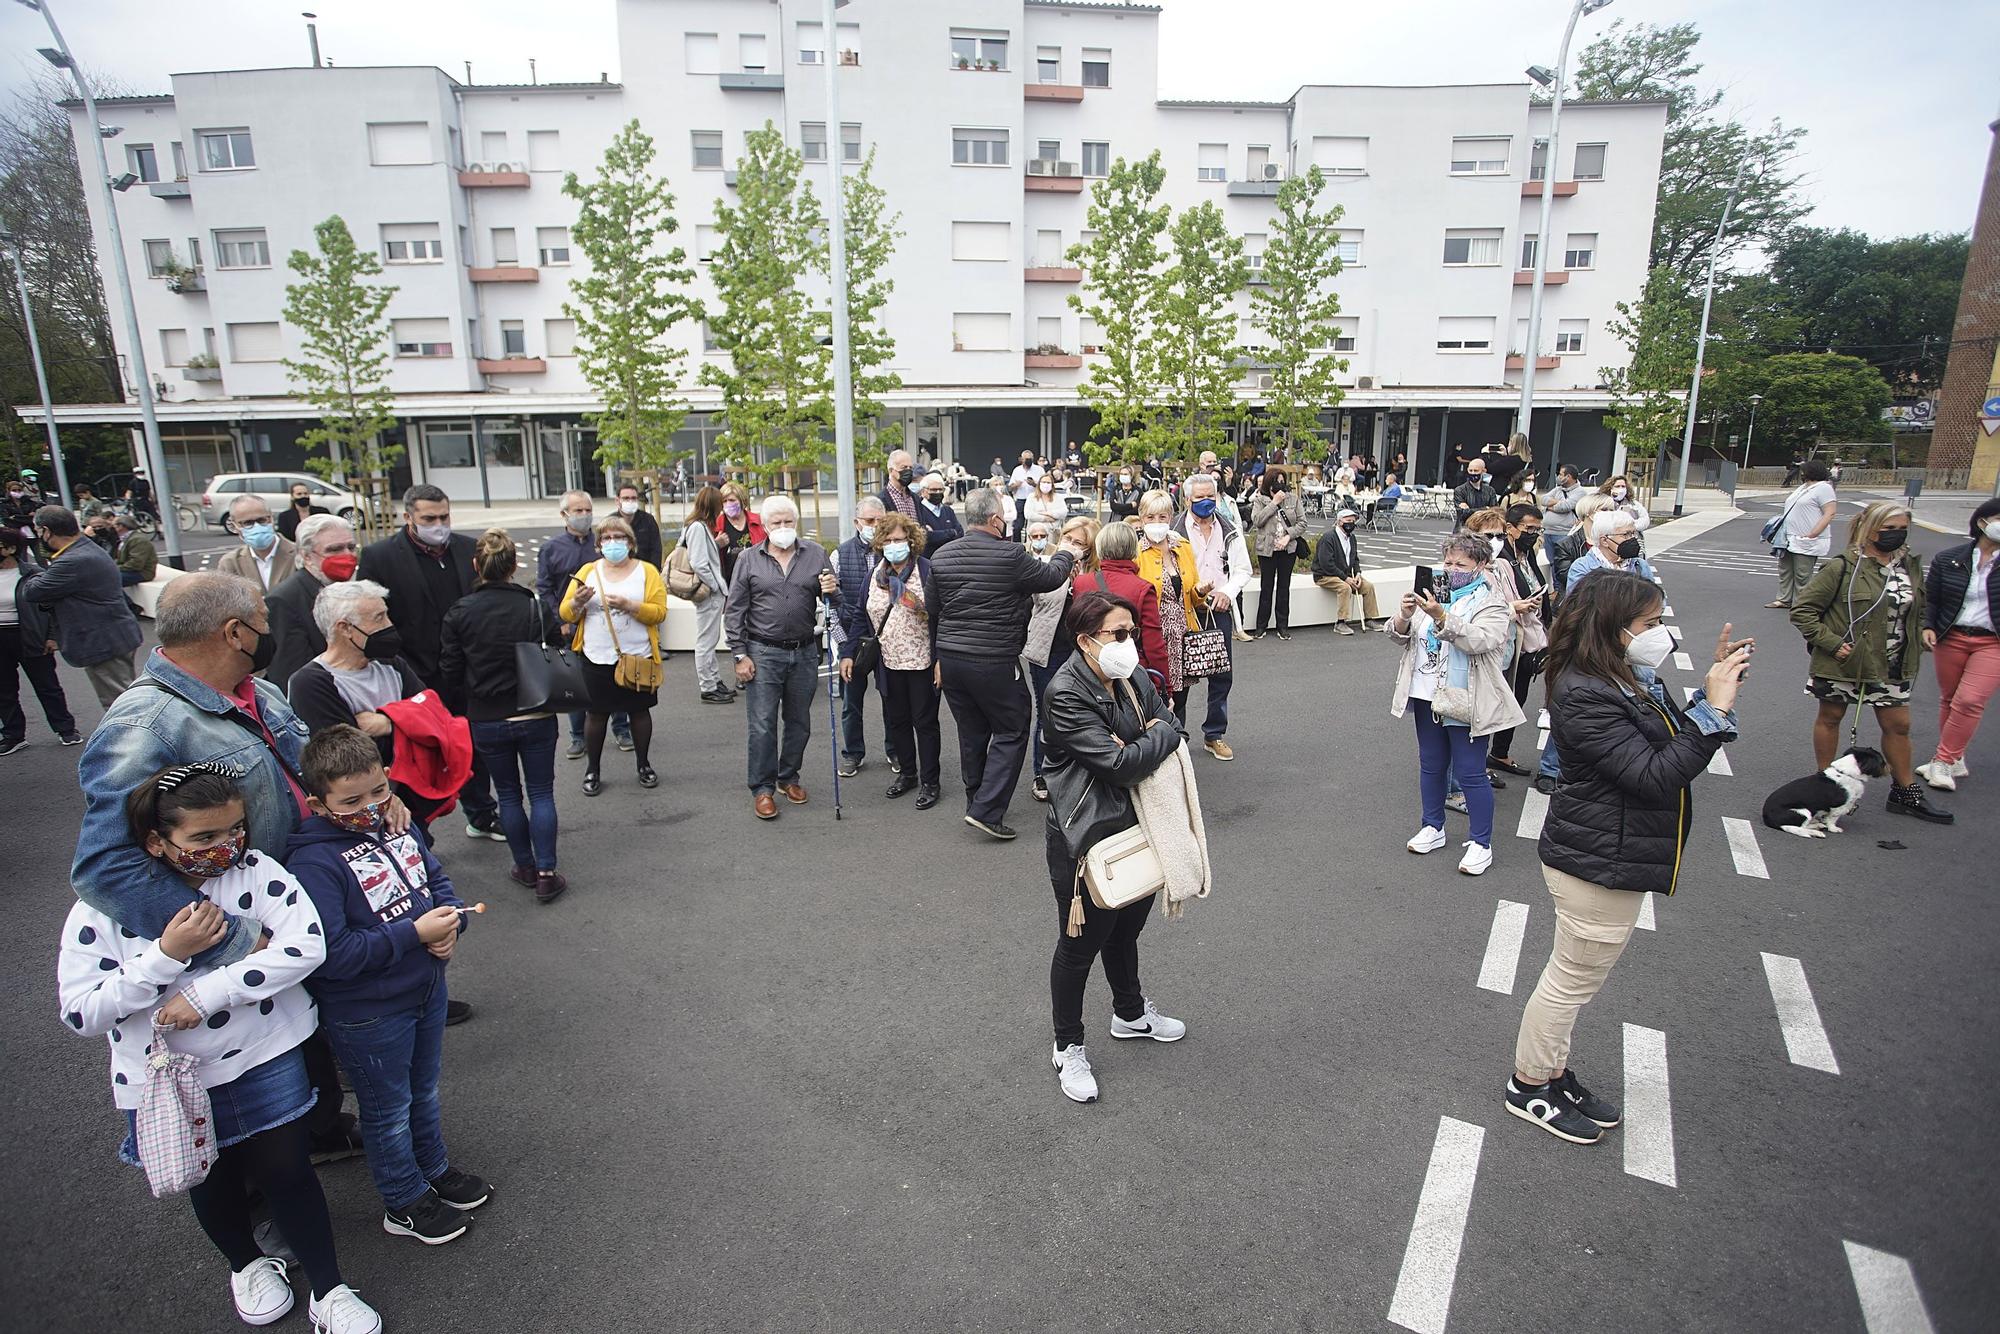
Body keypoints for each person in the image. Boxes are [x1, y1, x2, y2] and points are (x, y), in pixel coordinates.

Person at [71, 571, 420, 1140]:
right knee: (258, 1107)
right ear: (235, 633)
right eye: (263, 618)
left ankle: (321, 1130)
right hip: (250, 932)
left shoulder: (261, 692)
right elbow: (106, 864)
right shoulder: (143, 726)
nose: (272, 627)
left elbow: (312, 772)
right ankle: (266, 1185)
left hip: (299, 902)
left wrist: (378, 797)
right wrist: (233, 937)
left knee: (309, 1042)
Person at [59, 764, 382, 1333]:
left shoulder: (255, 871)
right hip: (170, 1073)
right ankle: (247, 1264)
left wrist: (208, 992)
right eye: (204, 838)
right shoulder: (101, 908)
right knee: (208, 1176)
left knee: (288, 1169)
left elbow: (306, 945)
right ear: (157, 842)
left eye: (235, 829)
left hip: (264, 1050)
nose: (225, 847)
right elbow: (82, 1011)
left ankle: (329, 1287)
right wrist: (167, 956)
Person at [1509, 571, 1748, 1144]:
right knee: (1570, 981)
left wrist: (1706, 693)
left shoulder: (1622, 677)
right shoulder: (1586, 690)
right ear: (1615, 630)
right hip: (1595, 859)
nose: (1659, 633)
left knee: (1578, 979)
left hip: (1610, 851)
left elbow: (1662, 740)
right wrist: (1712, 713)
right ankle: (1530, 1085)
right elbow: (1652, 774)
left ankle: (1552, 1073)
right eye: (1650, 623)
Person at [286, 724, 491, 1247]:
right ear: (316, 803)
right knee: (387, 1108)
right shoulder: (314, 862)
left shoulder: (399, 825)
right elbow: (331, 954)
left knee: (422, 1091)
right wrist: (414, 934)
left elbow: (436, 884)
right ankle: (402, 1201)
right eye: (350, 800)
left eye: (379, 791)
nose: (372, 806)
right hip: (368, 1009)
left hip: (425, 988)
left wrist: (450, 925)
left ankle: (434, 1170)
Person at [1040, 588, 1192, 1104]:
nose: (1130, 642)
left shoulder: (1131, 677)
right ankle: (1068, 1045)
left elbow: (1173, 723)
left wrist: (1144, 741)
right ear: (1086, 641)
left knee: (1127, 927)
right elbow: (1119, 764)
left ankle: (1129, 1014)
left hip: (1137, 824)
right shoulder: (1064, 691)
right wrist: (1146, 742)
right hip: (1085, 836)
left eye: (1131, 631)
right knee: (1080, 944)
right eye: (1119, 634)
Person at [929, 485, 1080, 839]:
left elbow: (933, 609)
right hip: (994, 658)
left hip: (952, 658)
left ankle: (975, 801)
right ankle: (987, 809)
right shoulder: (1010, 554)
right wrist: (1067, 554)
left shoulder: (941, 556)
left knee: (972, 731)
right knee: (1012, 728)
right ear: (996, 519)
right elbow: (1051, 578)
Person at [356, 485, 502, 842]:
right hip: (415, 674)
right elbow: (373, 617)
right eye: (429, 519)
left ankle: (481, 813)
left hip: (468, 674)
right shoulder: (380, 557)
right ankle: (417, 830)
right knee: (416, 757)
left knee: (469, 747)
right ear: (408, 518)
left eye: (444, 517)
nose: (438, 525)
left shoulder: (470, 550)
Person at [1790, 502, 1952, 824]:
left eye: (1902, 528)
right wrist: (1834, 645)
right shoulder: (1843, 567)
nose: (1896, 535)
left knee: (1898, 725)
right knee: (1832, 716)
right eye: (1888, 528)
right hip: (1846, 660)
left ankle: (1905, 792)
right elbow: (1802, 611)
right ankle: (1827, 786)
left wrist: (1924, 631)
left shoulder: (1909, 566)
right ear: (1869, 527)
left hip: (1893, 663)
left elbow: (1918, 609)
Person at [440, 529, 567, 904]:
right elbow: (556, 647)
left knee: (508, 794)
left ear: (477, 566)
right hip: (534, 709)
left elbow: (449, 668)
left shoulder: (460, 611)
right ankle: (546, 871)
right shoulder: (532, 605)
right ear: (514, 565)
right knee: (541, 792)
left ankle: (524, 865)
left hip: (486, 715)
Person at [1387, 533, 1524, 876]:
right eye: (1448, 562)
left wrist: (1442, 618)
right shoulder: (1433, 594)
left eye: (1461, 564)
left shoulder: (1491, 601)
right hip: (1425, 693)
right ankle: (1432, 826)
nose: (1451, 569)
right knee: (1431, 764)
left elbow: (1482, 640)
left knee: (1470, 772)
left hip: (1465, 698)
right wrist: (1405, 616)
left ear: (1480, 565)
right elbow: (1398, 636)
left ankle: (1481, 843)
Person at [287, 579, 450, 824]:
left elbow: (437, 716)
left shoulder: (391, 664)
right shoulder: (311, 683)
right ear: (345, 628)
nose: (389, 625)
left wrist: (389, 723)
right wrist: (410, 722)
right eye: (379, 618)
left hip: (414, 806)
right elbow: (347, 759)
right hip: (364, 818)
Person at [726, 495, 839, 820]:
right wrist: (739, 655)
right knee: (762, 725)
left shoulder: (815, 554)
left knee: (799, 722)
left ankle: (788, 776)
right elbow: (734, 610)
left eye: (788, 522)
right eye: (776, 522)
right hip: (763, 651)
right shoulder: (749, 559)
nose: (783, 528)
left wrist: (832, 589)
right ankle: (762, 788)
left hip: (804, 652)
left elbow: (835, 600)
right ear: (764, 525)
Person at [558, 515, 667, 797]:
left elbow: (659, 612)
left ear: (630, 543)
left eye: (618, 538)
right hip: (596, 656)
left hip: (637, 656)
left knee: (639, 711)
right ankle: (592, 769)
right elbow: (565, 613)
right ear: (598, 545)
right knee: (596, 715)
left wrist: (632, 606)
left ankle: (643, 765)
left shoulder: (647, 572)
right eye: (606, 538)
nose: (612, 543)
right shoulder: (587, 571)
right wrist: (578, 602)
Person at [850, 511, 943, 808]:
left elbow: (942, 617)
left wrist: (941, 660)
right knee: (897, 721)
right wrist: (847, 654)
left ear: (911, 541)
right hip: (888, 662)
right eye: (888, 539)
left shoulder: (927, 571)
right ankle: (908, 773)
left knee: (925, 722)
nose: (893, 544)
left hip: (922, 663)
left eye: (899, 539)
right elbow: (859, 615)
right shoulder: (874, 576)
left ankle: (930, 781)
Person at [19, 503, 143, 707]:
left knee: (120, 705)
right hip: (114, 635)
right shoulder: (84, 547)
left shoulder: (73, 561)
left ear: (47, 531)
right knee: (125, 697)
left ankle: (133, 738)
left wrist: (38, 572)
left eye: (38, 531)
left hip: (103, 641)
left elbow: (31, 591)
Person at [538, 491, 632, 760]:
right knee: (575, 683)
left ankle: (621, 728)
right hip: (571, 627)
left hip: (608, 626)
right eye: (577, 511)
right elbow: (545, 590)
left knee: (617, 676)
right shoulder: (551, 549)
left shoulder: (602, 543)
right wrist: (561, 621)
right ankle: (578, 736)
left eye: (587, 510)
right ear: (564, 515)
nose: (584, 515)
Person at [1918, 497, 2000, 791]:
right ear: (1983, 522)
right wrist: (1928, 626)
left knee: (1970, 700)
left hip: (1992, 642)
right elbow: (1933, 599)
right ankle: (1956, 756)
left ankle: (1942, 761)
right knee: (1950, 699)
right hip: (1951, 636)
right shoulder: (1949, 559)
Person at [1169, 473, 1249, 761]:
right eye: (1199, 497)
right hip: (1184, 610)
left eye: (1210, 497)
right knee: (1180, 677)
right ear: (1187, 499)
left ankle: (1214, 734)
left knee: (1221, 675)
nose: (1205, 502)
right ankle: (1175, 737)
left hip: (1217, 611)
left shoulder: (1229, 529)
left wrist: (1228, 591)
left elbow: (1243, 569)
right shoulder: (1173, 531)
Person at [1486, 504, 1551, 778]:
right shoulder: (1500, 559)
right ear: (1509, 528)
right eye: (1528, 529)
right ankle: (1480, 762)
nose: (1534, 534)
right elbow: (1496, 601)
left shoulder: (1527, 555)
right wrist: (1518, 605)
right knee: (1494, 702)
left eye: (1538, 529)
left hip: (1527, 640)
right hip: (1505, 640)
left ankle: (1500, 753)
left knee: (1517, 698)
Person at [0, 525, 79, 751]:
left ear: (11, 549)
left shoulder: (33, 574)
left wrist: (53, 637)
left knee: (47, 686)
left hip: (30, 636)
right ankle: (13, 735)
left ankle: (65, 729)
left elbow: (53, 607)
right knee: (4, 690)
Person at [832, 497, 892, 778]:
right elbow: (831, 607)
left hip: (887, 640)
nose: (875, 526)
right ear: (857, 523)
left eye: (880, 520)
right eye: (869, 521)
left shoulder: (894, 552)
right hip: (853, 640)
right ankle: (852, 753)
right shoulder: (840, 555)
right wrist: (844, 646)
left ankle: (896, 751)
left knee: (893, 701)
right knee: (851, 703)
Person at [267, 514, 358, 692]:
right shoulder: (284, 600)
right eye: (335, 549)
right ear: (307, 556)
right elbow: (291, 674)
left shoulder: (356, 589)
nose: (347, 555)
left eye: (351, 547)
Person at [1077, 520, 1169, 690]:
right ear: (1134, 550)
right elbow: (1154, 645)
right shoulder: (1142, 588)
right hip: (1130, 671)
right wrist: (1164, 688)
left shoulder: (1080, 584)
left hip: (1089, 668)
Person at [1021, 519, 1075, 804]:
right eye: (1035, 535)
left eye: (1080, 543)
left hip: (1079, 651)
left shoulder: (1089, 571)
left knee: (1079, 713)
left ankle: (1074, 771)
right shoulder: (1041, 568)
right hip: (1047, 650)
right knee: (1047, 712)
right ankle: (1041, 772)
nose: (1073, 548)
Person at [1134, 489, 1201, 702]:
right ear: (1141, 517)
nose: (1157, 521)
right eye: (1150, 517)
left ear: (1170, 517)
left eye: (1162, 516)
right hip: (1152, 639)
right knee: (1153, 699)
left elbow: (1193, 595)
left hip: (1182, 637)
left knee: (1180, 701)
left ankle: (1179, 736)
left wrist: (1201, 592)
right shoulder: (1135, 552)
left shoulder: (1183, 547)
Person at [680, 486, 733, 704]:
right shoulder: (698, 528)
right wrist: (715, 586)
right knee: (706, 640)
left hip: (710, 592)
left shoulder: (696, 526)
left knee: (710, 638)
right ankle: (708, 686)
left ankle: (714, 679)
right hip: (709, 593)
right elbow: (700, 563)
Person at [1769, 460, 1838, 610]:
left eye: (1803, 470)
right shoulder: (1803, 487)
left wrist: (1814, 533)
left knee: (1802, 573)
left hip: (1807, 537)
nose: (1801, 473)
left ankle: (1802, 603)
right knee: (1785, 569)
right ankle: (1784, 598)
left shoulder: (1824, 488)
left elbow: (1830, 512)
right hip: (1789, 537)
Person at [1249, 471, 1304, 640]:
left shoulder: (1293, 499)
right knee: (1266, 587)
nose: (1280, 485)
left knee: (1283, 587)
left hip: (1288, 550)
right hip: (1267, 550)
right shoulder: (1260, 500)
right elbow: (1257, 520)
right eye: (1276, 482)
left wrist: (1289, 536)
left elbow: (1302, 522)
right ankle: (1261, 626)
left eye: (1282, 481)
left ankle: (1282, 626)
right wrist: (1274, 503)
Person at [1311, 505, 1380, 634]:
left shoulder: (1352, 538)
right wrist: (1346, 578)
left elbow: (1355, 559)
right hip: (1325, 575)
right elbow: (1327, 564)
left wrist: (1358, 574)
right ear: (1339, 522)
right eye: (1348, 521)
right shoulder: (1328, 538)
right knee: (1345, 588)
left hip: (1345, 574)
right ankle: (1341, 622)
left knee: (1368, 586)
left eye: (1353, 521)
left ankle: (1370, 619)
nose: (1351, 524)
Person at [218, 494, 299, 591]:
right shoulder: (230, 563)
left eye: (261, 520)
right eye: (248, 523)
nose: (257, 527)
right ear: (235, 526)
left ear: (272, 519)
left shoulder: (300, 555)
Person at [1567, 510, 1658, 591]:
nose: (1632, 539)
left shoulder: (1640, 566)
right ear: (1604, 541)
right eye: (1626, 534)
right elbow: (1577, 604)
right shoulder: (1583, 567)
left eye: (1633, 533)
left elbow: (1656, 602)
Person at [715, 480, 765, 587]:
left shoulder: (758, 521)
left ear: (742, 501)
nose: (728, 504)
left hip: (756, 580)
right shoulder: (717, 524)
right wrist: (716, 544)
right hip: (729, 583)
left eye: (732, 500)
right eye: (724, 501)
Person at [1540, 465, 1587, 567]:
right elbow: (1543, 499)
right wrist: (1558, 502)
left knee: (1561, 565)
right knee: (1552, 564)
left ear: (1568, 477)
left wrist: (1551, 506)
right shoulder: (1558, 489)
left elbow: (1564, 507)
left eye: (1561, 474)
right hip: (1548, 532)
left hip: (1563, 533)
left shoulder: (1580, 492)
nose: (1559, 477)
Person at [615, 481, 664, 568]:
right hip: (619, 571)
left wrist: (653, 572)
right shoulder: (611, 522)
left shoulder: (648, 520)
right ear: (617, 501)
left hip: (645, 570)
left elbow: (656, 550)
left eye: (633, 498)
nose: (630, 501)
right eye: (626, 498)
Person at [916, 472, 963, 553]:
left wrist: (937, 535)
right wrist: (951, 533)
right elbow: (926, 537)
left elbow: (960, 533)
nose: (938, 492)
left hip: (948, 557)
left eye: (940, 490)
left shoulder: (948, 511)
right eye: (934, 490)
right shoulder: (918, 511)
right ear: (923, 492)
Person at [1595, 475, 1650, 541]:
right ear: (1610, 488)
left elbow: (1645, 519)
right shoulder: (1603, 503)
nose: (1621, 489)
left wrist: (1633, 526)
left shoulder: (1634, 504)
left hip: (1632, 539)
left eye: (1623, 486)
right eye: (1617, 486)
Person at [111, 512, 158, 588]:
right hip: (131, 571)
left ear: (121, 526)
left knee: (109, 579)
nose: (113, 528)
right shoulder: (125, 539)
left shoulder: (138, 540)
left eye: (114, 526)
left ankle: (124, 600)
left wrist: (114, 568)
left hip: (142, 573)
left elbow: (136, 563)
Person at [1452, 457, 1499, 530]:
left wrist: (1471, 510)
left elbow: (1494, 512)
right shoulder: (1460, 490)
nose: (1473, 473)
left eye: (1476, 470)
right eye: (1470, 470)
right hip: (1464, 530)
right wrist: (1485, 509)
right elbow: (1463, 513)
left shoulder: (1490, 491)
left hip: (1484, 530)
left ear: (1483, 471)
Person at [1009, 450, 1044, 536]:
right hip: (1020, 499)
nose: (1028, 461)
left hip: (1035, 500)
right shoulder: (1017, 470)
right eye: (1026, 459)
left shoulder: (1039, 470)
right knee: (1017, 526)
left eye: (1030, 459)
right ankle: (1016, 545)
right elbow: (1010, 487)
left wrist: (1034, 484)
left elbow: (1045, 485)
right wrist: (1016, 485)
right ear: (1021, 459)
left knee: (1033, 526)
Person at [879, 447, 920, 520]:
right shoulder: (881, 500)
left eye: (910, 468)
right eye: (904, 467)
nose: (908, 471)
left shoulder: (915, 499)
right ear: (891, 470)